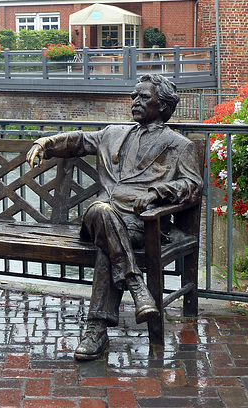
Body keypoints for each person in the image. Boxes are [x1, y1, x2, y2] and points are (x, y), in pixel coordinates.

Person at [26, 73, 202, 360]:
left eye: (144, 97)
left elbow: (192, 186)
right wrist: (46, 143)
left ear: (164, 106)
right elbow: (78, 141)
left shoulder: (179, 145)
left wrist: (158, 191)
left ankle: (96, 331)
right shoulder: (113, 133)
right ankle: (136, 285)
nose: (135, 101)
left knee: (108, 246)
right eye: (134, 95)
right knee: (100, 210)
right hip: (97, 220)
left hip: (139, 224)